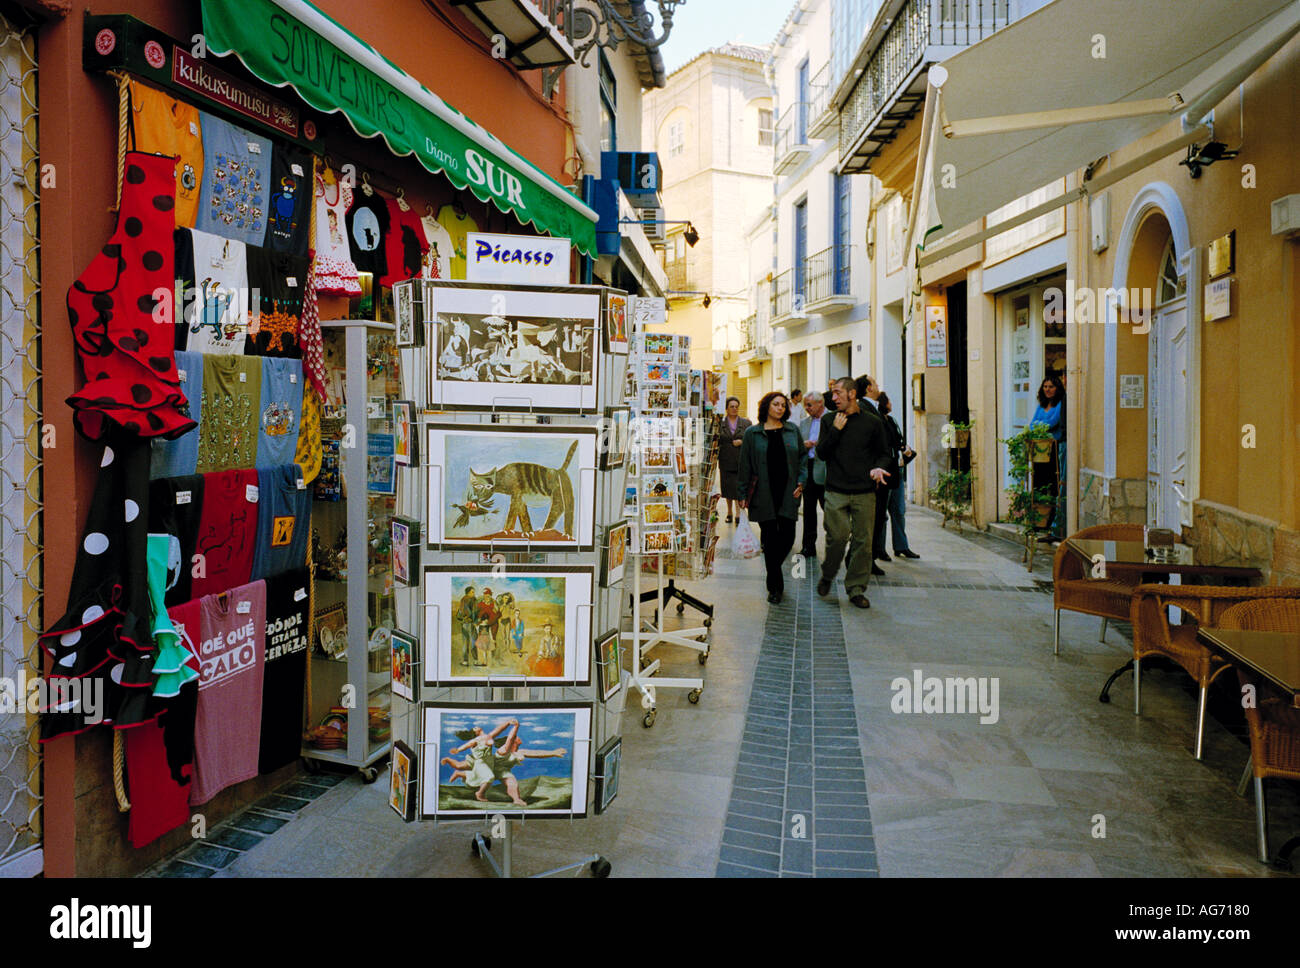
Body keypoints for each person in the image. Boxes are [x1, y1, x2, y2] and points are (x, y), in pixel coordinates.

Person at [816, 377, 892, 609]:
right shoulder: (829, 420)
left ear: (852, 394)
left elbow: (884, 453)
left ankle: (856, 588)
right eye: (833, 393)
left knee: (863, 542)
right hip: (836, 490)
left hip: (865, 492)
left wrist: (879, 467)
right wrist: (836, 431)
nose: (833, 397)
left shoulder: (872, 422)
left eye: (838, 393)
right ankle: (828, 575)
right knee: (837, 537)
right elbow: (822, 453)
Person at [737, 392, 807, 603]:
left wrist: (802, 481)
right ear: (766, 406)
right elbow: (745, 465)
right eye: (776, 404)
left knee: (787, 537)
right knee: (769, 539)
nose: (780, 408)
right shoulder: (752, 433)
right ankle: (775, 587)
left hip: (788, 492)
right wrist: (741, 493)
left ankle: (773, 570)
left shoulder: (792, 430)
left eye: (783, 406)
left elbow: (803, 457)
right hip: (763, 493)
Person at [877, 392, 920, 559]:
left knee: (899, 511)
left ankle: (901, 546)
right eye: (888, 400)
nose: (891, 403)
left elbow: (898, 442)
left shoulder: (892, 421)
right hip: (886, 471)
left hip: (898, 470)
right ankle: (880, 549)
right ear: (883, 403)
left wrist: (905, 448)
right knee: (882, 514)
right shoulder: (878, 422)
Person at [856, 374, 888, 575]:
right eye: (875, 383)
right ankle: (866, 559)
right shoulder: (865, 410)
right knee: (871, 520)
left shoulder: (875, 408)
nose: (877, 386)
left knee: (877, 519)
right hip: (873, 474)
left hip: (881, 471)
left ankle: (870, 557)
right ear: (868, 388)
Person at [1031, 373, 1067, 541]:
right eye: (1045, 387)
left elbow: (1053, 422)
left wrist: (1039, 427)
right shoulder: (1041, 405)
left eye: (1051, 387)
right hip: (1040, 451)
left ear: (1057, 388)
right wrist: (1038, 428)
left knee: (1053, 484)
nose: (1048, 390)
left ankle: (1052, 521)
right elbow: (1032, 424)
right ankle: (1039, 520)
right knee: (1040, 483)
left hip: (1054, 449)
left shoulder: (1060, 404)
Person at [797, 390, 828, 558]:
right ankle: (808, 546)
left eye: (809, 405)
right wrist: (805, 445)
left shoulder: (832, 419)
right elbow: (798, 445)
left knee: (829, 510)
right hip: (808, 469)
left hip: (825, 470)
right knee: (808, 510)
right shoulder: (804, 423)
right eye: (805, 405)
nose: (806, 408)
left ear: (820, 403)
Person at [717, 396, 752, 523]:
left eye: (736, 406)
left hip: (740, 460)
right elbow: (716, 440)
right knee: (727, 487)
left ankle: (738, 513)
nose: (734, 409)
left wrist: (742, 442)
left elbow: (751, 441)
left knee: (738, 487)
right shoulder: (720, 423)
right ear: (726, 408)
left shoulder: (746, 423)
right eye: (731, 406)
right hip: (726, 459)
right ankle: (729, 512)